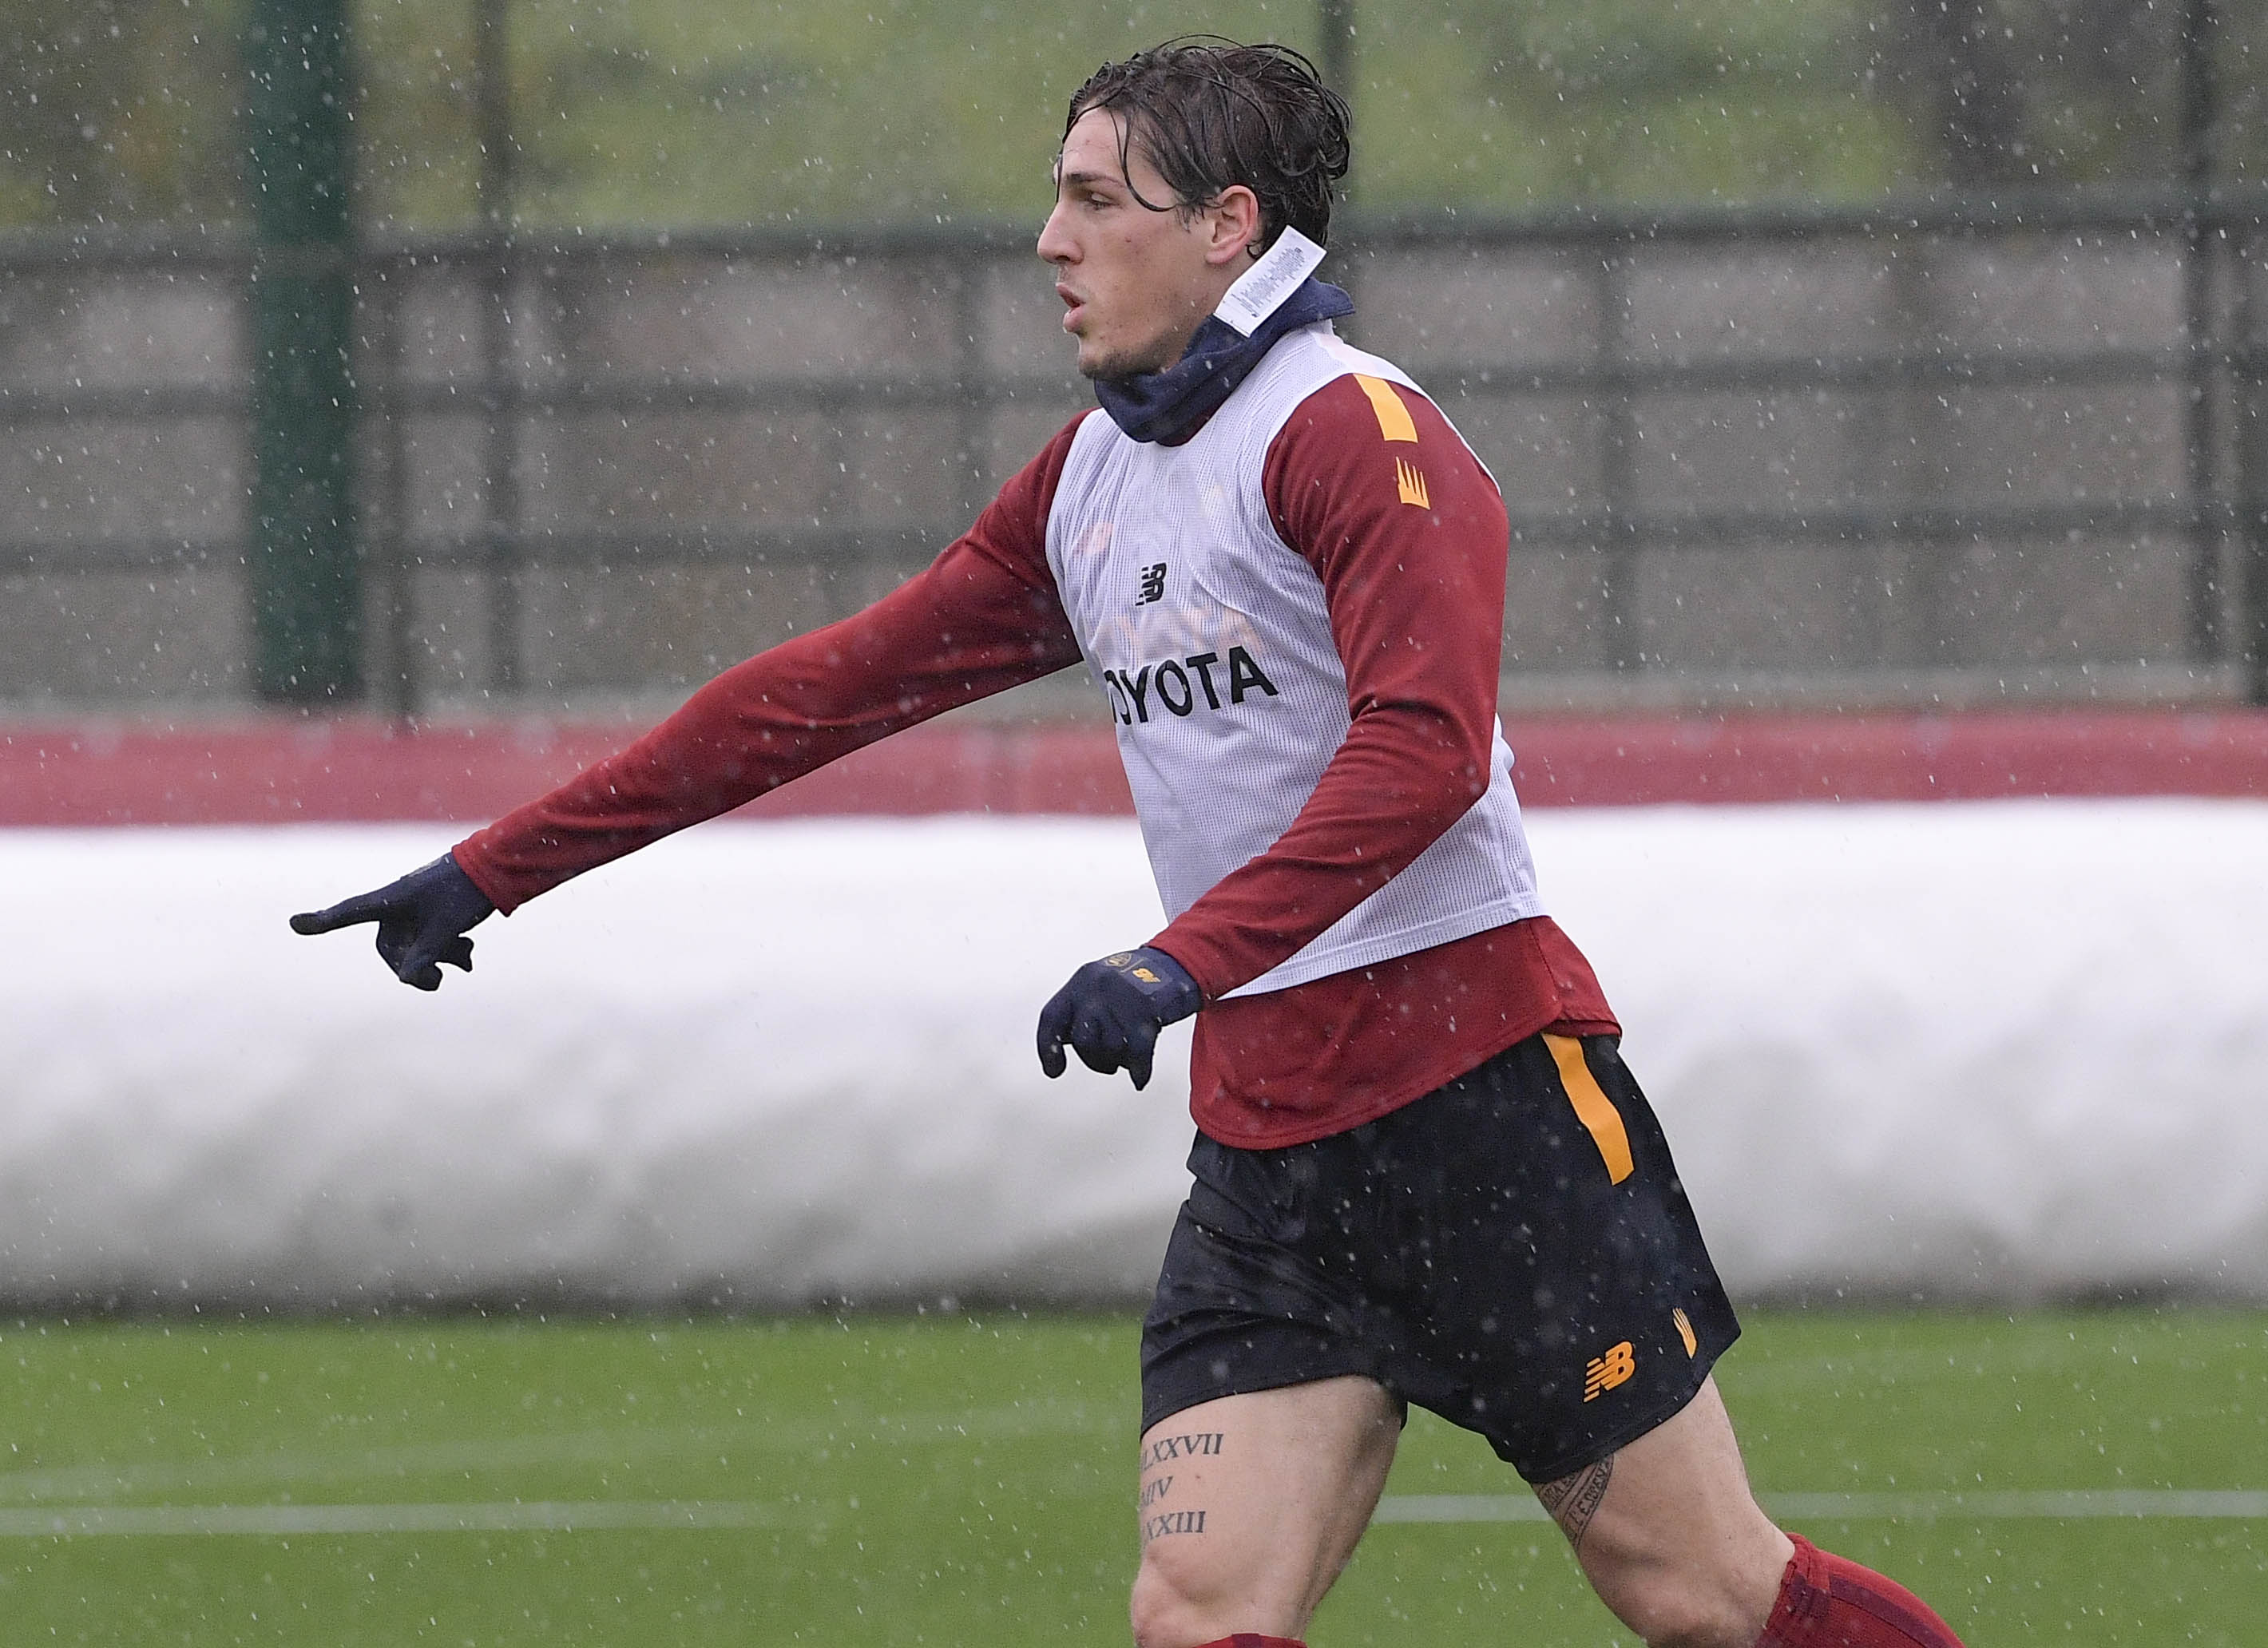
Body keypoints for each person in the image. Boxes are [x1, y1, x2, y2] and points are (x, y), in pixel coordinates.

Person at [293, 39, 1970, 1648]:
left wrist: (1183, 955)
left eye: (1101, 198)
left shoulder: (1350, 431)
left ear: (1230, 226)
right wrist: (505, 861)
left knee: (1702, 1597)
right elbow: (827, 692)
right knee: (1198, 1612)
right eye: (1059, 195)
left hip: (1485, 1119)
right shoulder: (1093, 478)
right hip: (1271, 1154)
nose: (1052, 237)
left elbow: (1429, 754)